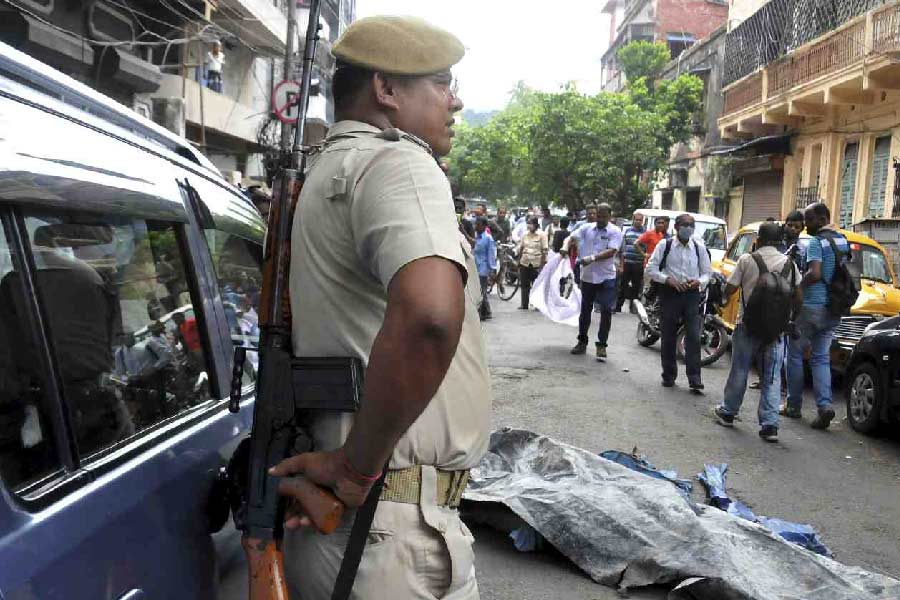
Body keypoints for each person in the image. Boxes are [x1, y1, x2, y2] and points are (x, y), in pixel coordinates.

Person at [269, 16, 490, 600]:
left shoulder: (325, 172)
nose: (457, 100)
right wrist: (355, 469)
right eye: (442, 82)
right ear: (386, 91)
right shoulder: (396, 161)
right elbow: (429, 318)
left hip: (358, 531)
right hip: (388, 527)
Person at [714, 223, 801, 442]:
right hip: (775, 331)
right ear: (780, 241)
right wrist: (790, 320)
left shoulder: (746, 260)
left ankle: (728, 412)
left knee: (740, 369)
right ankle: (769, 425)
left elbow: (731, 288)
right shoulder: (789, 264)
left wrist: (723, 297)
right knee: (771, 376)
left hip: (747, 325)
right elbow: (798, 296)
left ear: (758, 240)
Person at [784, 203, 848, 429]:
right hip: (833, 308)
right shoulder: (842, 240)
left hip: (811, 306)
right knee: (821, 357)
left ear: (821, 219)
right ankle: (824, 406)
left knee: (793, 354)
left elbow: (815, 272)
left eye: (809, 221)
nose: (805, 226)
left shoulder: (816, 241)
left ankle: (793, 405)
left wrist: (798, 287)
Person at [646, 213, 712, 390]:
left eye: (691, 225)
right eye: (685, 225)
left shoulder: (699, 247)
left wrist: (699, 281)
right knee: (668, 335)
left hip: (691, 295)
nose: (688, 228)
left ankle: (694, 378)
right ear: (676, 227)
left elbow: (707, 273)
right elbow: (650, 269)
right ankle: (668, 375)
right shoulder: (665, 245)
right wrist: (668, 280)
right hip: (670, 293)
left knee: (693, 337)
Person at [562, 204, 622, 360]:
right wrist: (564, 247)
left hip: (607, 277)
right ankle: (582, 341)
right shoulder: (586, 228)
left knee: (607, 310)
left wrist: (593, 258)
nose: (600, 219)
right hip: (588, 277)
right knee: (585, 311)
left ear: (609, 216)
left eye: (603, 216)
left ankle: (602, 345)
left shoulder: (615, 231)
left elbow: (612, 251)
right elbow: (571, 237)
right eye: (598, 216)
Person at [616, 212, 646, 313]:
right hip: (627, 263)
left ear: (643, 221)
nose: (638, 221)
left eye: (640, 220)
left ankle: (633, 309)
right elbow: (622, 249)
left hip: (638, 264)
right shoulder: (627, 231)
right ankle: (618, 306)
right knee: (622, 286)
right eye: (636, 219)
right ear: (633, 220)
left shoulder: (645, 233)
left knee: (636, 287)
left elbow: (646, 249)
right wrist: (621, 265)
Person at [517, 216, 548, 310]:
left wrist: (542, 266)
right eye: (528, 223)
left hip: (537, 264)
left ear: (536, 225)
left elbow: (545, 251)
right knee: (524, 285)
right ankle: (524, 304)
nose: (529, 225)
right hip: (525, 262)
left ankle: (537, 305)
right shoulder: (525, 235)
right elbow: (521, 248)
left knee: (536, 285)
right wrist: (519, 261)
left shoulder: (542, 235)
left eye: (531, 223)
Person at [474, 216, 498, 320]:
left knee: (481, 291)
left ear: (484, 226)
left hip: (483, 268)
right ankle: (486, 311)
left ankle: (482, 312)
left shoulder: (488, 238)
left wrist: (492, 269)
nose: (476, 227)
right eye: (476, 224)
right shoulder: (476, 237)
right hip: (475, 266)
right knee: (480, 291)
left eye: (478, 225)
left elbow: (491, 255)